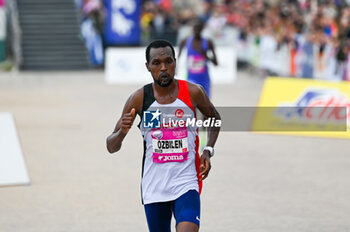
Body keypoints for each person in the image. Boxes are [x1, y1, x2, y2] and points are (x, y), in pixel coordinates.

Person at [106, 39, 221, 232]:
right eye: (157, 63)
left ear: (176, 62)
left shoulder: (193, 93)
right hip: (154, 186)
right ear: (148, 67)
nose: (164, 68)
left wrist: (208, 150)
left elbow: (215, 120)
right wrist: (121, 132)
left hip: (186, 181)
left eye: (168, 61)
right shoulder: (139, 99)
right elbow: (111, 146)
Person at [178, 20, 218, 98]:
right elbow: (178, 57)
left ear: (202, 30)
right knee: (192, 102)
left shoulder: (208, 42)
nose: (197, 31)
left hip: (204, 78)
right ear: (192, 29)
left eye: (199, 29)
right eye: (195, 29)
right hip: (191, 78)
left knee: (205, 104)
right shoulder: (185, 41)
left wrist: (206, 57)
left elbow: (216, 63)